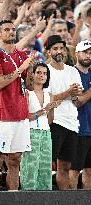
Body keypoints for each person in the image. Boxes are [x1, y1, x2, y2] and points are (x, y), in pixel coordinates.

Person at [0, 19, 36, 191]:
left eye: (13, 30)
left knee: (15, 160)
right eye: (6, 29)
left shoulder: (21, 55)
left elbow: (29, 85)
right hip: (0, 114)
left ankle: (13, 197)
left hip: (20, 113)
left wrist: (31, 71)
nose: (11, 32)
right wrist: (21, 69)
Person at [46, 35, 83, 190]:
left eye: (62, 48)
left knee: (66, 166)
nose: (59, 51)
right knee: (48, 164)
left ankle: (65, 199)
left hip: (72, 123)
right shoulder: (45, 70)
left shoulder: (72, 71)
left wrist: (74, 95)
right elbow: (47, 99)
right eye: (55, 49)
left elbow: (77, 98)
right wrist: (68, 92)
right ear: (48, 52)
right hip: (55, 122)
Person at [20, 62, 61, 190]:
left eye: (45, 73)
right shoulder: (27, 93)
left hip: (46, 133)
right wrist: (44, 110)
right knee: (30, 166)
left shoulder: (49, 95)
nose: (42, 75)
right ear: (33, 74)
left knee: (45, 167)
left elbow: (49, 120)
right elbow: (25, 116)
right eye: (39, 72)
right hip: (31, 132)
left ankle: (45, 196)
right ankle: (28, 196)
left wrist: (52, 108)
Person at [69, 40, 91, 189]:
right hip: (78, 129)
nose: (88, 55)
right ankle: (71, 201)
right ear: (77, 53)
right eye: (85, 52)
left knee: (89, 170)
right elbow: (78, 102)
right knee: (74, 169)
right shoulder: (71, 73)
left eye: (90, 52)